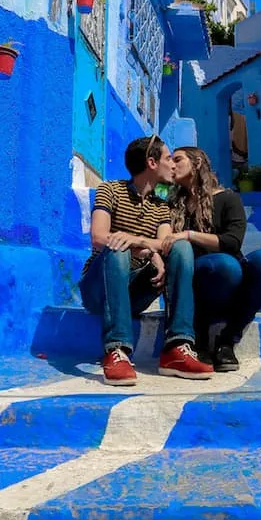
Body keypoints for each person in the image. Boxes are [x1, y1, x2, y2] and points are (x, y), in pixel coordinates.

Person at [79, 136, 215, 386]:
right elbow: (99, 237)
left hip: (134, 292)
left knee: (181, 246)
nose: (172, 165)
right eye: (167, 159)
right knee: (117, 247)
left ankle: (178, 346)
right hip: (99, 289)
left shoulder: (161, 207)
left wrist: (140, 242)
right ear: (151, 162)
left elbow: (165, 243)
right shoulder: (111, 190)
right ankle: (117, 350)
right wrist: (140, 246)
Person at [164, 146, 261, 371]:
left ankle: (227, 340)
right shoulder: (172, 205)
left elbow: (232, 242)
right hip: (199, 281)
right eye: (169, 160)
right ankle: (201, 338)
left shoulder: (228, 198)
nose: (172, 165)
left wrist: (189, 235)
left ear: (197, 163)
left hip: (231, 280)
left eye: (177, 159)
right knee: (225, 265)